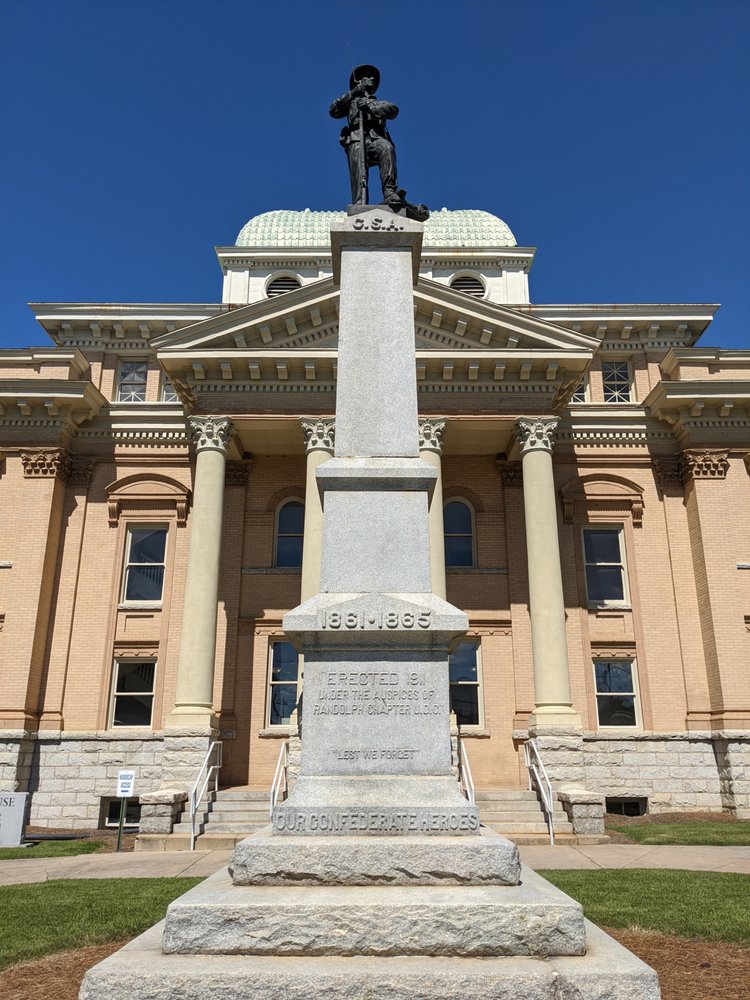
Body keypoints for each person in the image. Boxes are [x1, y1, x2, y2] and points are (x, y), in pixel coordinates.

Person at [329, 64, 401, 208]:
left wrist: (369, 107)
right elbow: (333, 110)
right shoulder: (350, 101)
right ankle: (359, 205)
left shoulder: (378, 102)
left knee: (386, 148)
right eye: (368, 76)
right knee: (359, 174)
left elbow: (393, 110)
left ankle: (390, 193)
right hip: (356, 139)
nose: (372, 78)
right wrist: (353, 93)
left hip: (375, 140)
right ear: (359, 81)